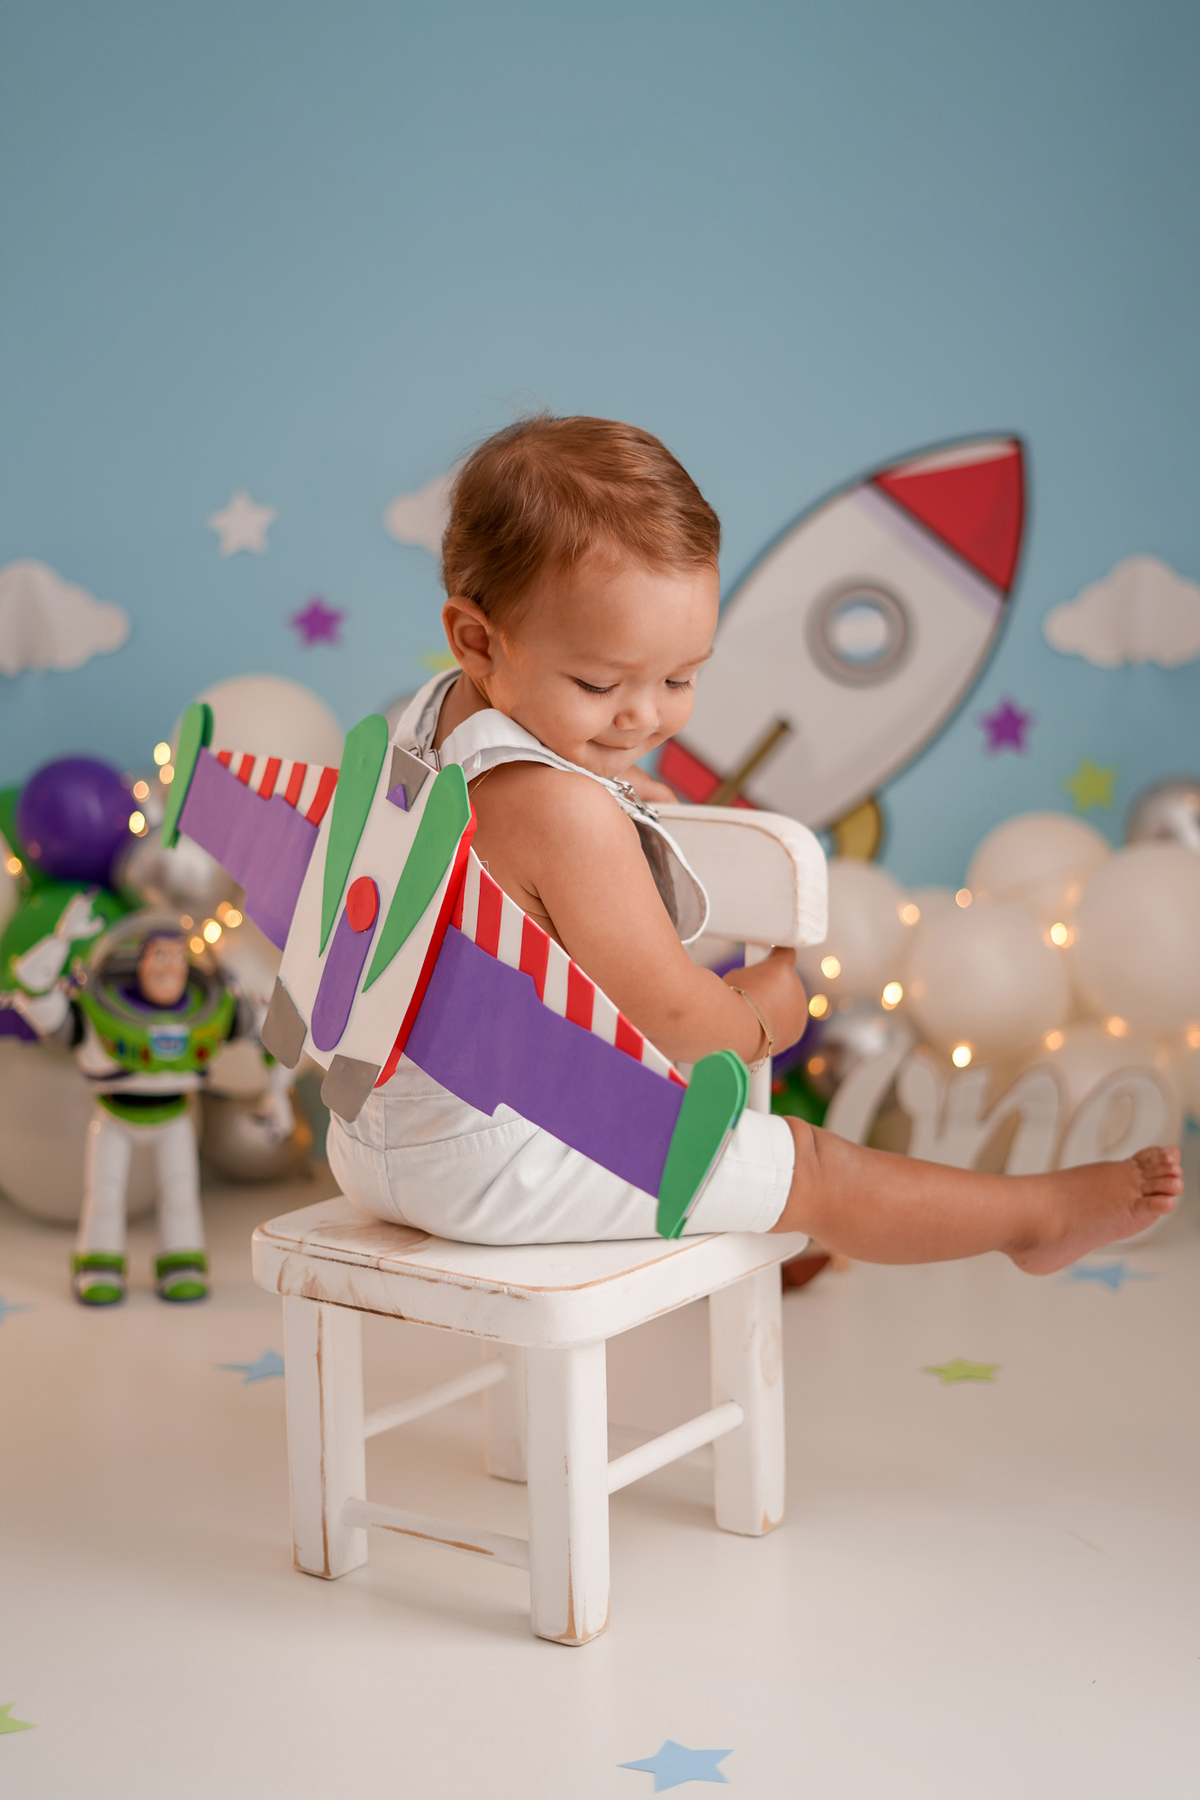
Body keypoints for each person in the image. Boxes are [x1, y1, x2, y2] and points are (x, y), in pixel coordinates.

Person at [328, 415, 1182, 1263]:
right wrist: (762, 1016)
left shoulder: (428, 726)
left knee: (710, 1136)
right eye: (598, 683)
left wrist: (598, 769)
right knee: (814, 1165)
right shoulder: (563, 813)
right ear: (477, 639)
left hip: (371, 1135)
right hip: (498, 1165)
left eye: (679, 677)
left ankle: (873, 1215)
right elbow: (678, 1026)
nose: (643, 716)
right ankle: (1033, 1220)